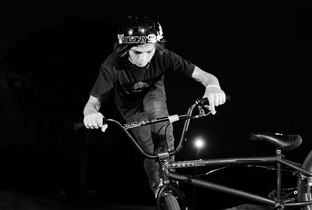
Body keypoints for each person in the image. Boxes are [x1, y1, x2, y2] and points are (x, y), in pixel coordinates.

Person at [82, 15, 227, 193]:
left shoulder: (163, 56)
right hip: (130, 109)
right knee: (150, 151)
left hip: (153, 95)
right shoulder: (111, 66)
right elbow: (92, 103)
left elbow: (205, 76)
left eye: (149, 52)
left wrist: (213, 87)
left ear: (156, 46)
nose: (143, 59)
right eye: (137, 52)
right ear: (124, 48)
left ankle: (170, 178)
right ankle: (159, 188)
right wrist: (92, 114)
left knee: (157, 113)